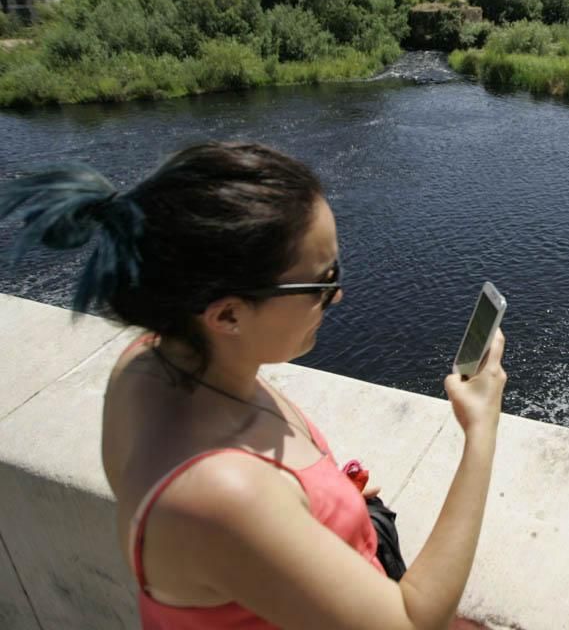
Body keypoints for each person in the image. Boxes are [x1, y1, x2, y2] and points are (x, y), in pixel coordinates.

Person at [0, 141, 507, 629]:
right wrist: (480, 430)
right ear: (227, 315)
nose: (338, 296)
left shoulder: (151, 361)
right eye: (322, 280)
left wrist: (335, 505)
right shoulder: (223, 495)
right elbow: (410, 624)